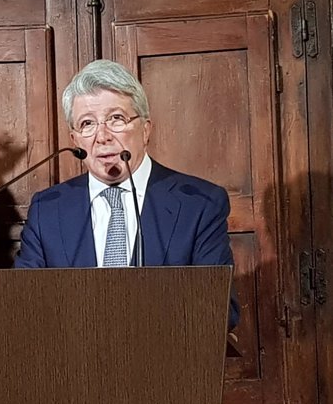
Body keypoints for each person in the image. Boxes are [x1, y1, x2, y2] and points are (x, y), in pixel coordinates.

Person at [14, 59, 239, 329]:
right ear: (75, 141)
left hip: (166, 364)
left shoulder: (198, 203)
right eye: (87, 124)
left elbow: (220, 311)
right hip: (72, 365)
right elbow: (25, 306)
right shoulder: (48, 210)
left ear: (145, 129)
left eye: (116, 119)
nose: (102, 136)